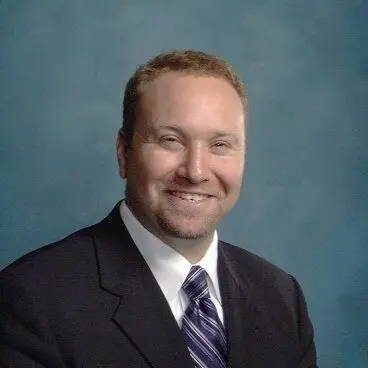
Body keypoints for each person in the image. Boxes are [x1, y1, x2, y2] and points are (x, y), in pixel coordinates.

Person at [0, 50, 317, 367]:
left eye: (220, 145)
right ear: (124, 153)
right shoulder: (33, 299)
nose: (195, 171)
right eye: (170, 140)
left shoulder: (282, 298)